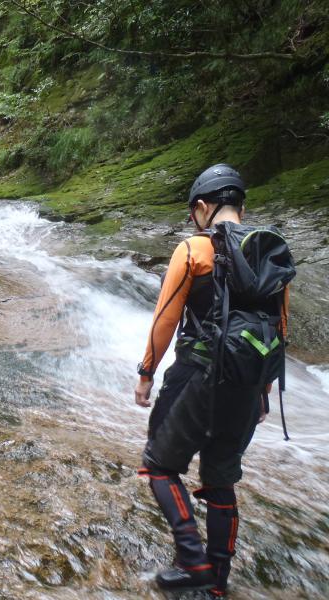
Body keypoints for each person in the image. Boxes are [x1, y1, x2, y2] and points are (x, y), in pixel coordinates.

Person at [134, 164, 294, 597]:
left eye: (194, 213)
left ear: (203, 207)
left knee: (160, 466)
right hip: (248, 381)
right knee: (220, 480)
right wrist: (262, 393)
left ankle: (192, 561)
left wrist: (146, 373)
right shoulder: (271, 251)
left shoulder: (194, 250)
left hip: (197, 376)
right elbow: (279, 328)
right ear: (242, 206)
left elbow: (165, 318)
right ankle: (218, 582)